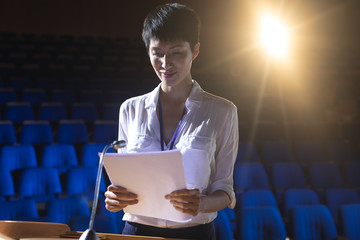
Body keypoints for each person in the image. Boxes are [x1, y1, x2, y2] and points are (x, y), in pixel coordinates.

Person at [104, 3, 238, 239]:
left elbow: (225, 190)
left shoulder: (223, 111)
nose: (165, 64)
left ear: (195, 51)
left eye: (176, 52)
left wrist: (201, 203)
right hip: (136, 232)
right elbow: (124, 181)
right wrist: (115, 198)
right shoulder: (130, 109)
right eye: (157, 53)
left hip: (194, 233)